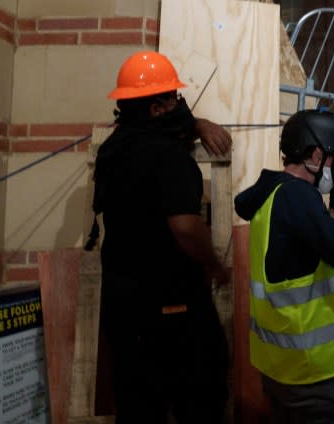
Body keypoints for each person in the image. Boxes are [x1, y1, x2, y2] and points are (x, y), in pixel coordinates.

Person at [93, 50, 233, 423]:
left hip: (123, 311)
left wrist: (197, 123)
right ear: (156, 109)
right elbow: (185, 227)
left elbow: (152, 129)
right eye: (171, 98)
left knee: (138, 410)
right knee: (204, 397)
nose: (178, 104)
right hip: (171, 309)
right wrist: (216, 264)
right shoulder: (169, 157)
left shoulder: (111, 152)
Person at [234, 110, 334, 423]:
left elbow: (329, 251)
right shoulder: (297, 197)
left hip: (285, 369)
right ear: (316, 155)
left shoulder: (274, 196)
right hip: (316, 372)